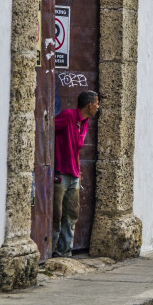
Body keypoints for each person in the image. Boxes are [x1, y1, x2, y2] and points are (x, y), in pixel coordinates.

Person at [52, 90, 99, 257]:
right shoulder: (68, 116)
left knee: (71, 215)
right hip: (61, 173)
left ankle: (65, 252)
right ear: (89, 105)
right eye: (96, 104)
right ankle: (50, 251)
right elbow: (48, 129)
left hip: (74, 174)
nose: (98, 107)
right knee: (56, 214)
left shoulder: (84, 122)